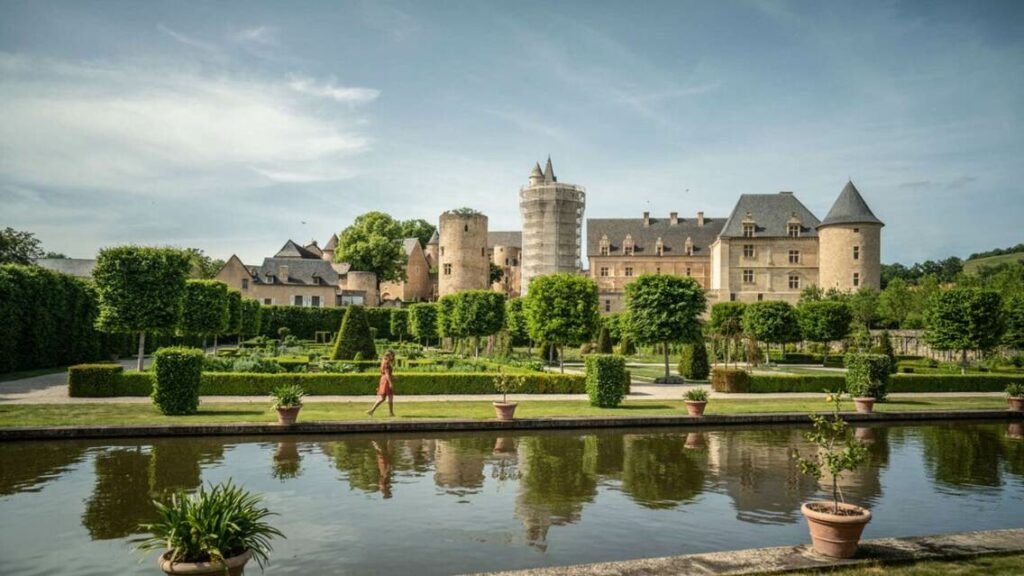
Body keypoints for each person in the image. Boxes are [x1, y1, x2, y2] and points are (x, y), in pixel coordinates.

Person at [367, 350, 395, 417]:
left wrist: (392, 376)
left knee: (383, 398)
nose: (393, 357)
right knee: (390, 396)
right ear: (388, 356)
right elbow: (387, 374)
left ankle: (371, 411)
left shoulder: (383, 362)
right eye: (392, 355)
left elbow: (385, 373)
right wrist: (390, 382)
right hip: (386, 380)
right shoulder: (387, 363)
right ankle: (391, 413)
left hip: (383, 379)